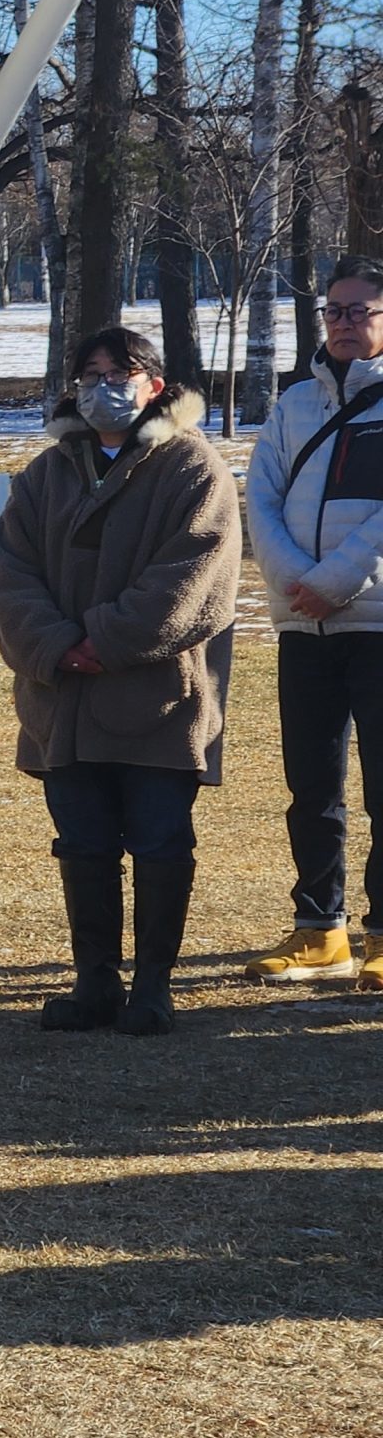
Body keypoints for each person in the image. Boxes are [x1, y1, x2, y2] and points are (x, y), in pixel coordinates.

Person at [0, 329, 240, 1036]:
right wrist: (58, 646)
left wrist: (106, 638)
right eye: (90, 373)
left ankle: (154, 986)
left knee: (161, 841)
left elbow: (196, 577)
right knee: (83, 843)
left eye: (121, 372)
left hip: (158, 698)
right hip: (61, 701)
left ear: (154, 385)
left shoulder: (193, 467)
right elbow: (11, 573)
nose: (105, 385)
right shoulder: (45, 475)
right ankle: (94, 981)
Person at [241, 255, 383, 990]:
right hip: (307, 627)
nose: (344, 324)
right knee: (312, 784)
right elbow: (259, 498)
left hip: (375, 621)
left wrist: (331, 581)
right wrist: (295, 584)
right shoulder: (294, 402)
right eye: (334, 310)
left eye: (360, 311)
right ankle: (319, 929)